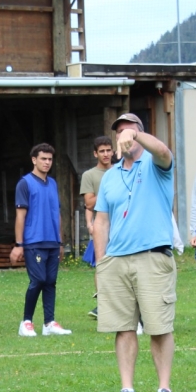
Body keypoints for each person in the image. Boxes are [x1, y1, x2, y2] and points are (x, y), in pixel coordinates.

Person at [93, 113, 179, 392]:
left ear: (141, 134)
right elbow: (101, 222)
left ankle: (164, 389)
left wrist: (137, 136)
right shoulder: (110, 176)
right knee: (123, 327)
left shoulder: (156, 166)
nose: (124, 136)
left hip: (153, 258)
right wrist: (101, 264)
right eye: (119, 132)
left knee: (159, 327)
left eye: (129, 130)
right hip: (116, 261)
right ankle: (127, 389)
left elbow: (164, 151)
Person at [10, 143, 71, 336]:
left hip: (52, 241)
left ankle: (49, 323)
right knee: (38, 280)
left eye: (50, 159)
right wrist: (19, 244)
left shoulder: (53, 183)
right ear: (34, 160)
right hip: (33, 241)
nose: (47, 162)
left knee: (51, 281)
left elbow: (57, 213)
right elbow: (20, 215)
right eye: (43, 159)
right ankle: (26, 322)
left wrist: (60, 241)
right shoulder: (25, 183)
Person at [80, 136, 114, 319]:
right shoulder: (89, 175)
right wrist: (110, 191)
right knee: (101, 264)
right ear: (95, 154)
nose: (106, 154)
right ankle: (102, 304)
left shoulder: (120, 170)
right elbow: (89, 202)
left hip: (121, 225)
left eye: (109, 150)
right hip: (101, 225)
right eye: (102, 151)